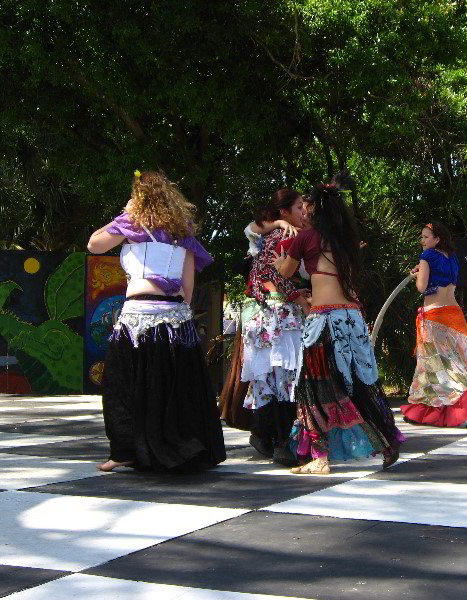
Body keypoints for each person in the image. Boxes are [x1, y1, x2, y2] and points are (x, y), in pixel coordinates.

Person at [87, 170, 225, 472]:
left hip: (138, 315)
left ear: (139, 197)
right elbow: (188, 285)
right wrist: (181, 316)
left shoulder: (131, 224)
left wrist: (124, 214)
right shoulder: (183, 233)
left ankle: (124, 451)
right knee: (173, 386)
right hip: (175, 318)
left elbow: (94, 244)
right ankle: (184, 447)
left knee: (123, 384)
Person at [273, 173, 404, 474]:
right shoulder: (346, 241)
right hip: (352, 319)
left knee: (314, 387)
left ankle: (319, 455)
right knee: (358, 384)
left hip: (324, 322)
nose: (303, 211)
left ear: (316, 209)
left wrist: (280, 263)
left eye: (307, 206)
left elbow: (286, 271)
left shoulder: (305, 238)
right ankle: (386, 442)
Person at [400, 221, 467, 428]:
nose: (422, 241)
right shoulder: (453, 258)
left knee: (435, 365)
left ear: (437, 239)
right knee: (460, 361)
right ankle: (466, 406)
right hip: (454, 314)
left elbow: (421, 287)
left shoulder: (427, 257)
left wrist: (416, 275)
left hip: (435, 316)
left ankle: (448, 407)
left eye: (425, 237)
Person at [240, 189, 309, 466]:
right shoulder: (284, 236)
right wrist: (296, 297)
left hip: (266, 316)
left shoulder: (273, 236)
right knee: (286, 377)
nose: (304, 213)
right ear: (285, 212)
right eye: (299, 208)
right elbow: (269, 274)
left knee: (269, 378)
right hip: (279, 315)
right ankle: (281, 441)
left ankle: (264, 433)